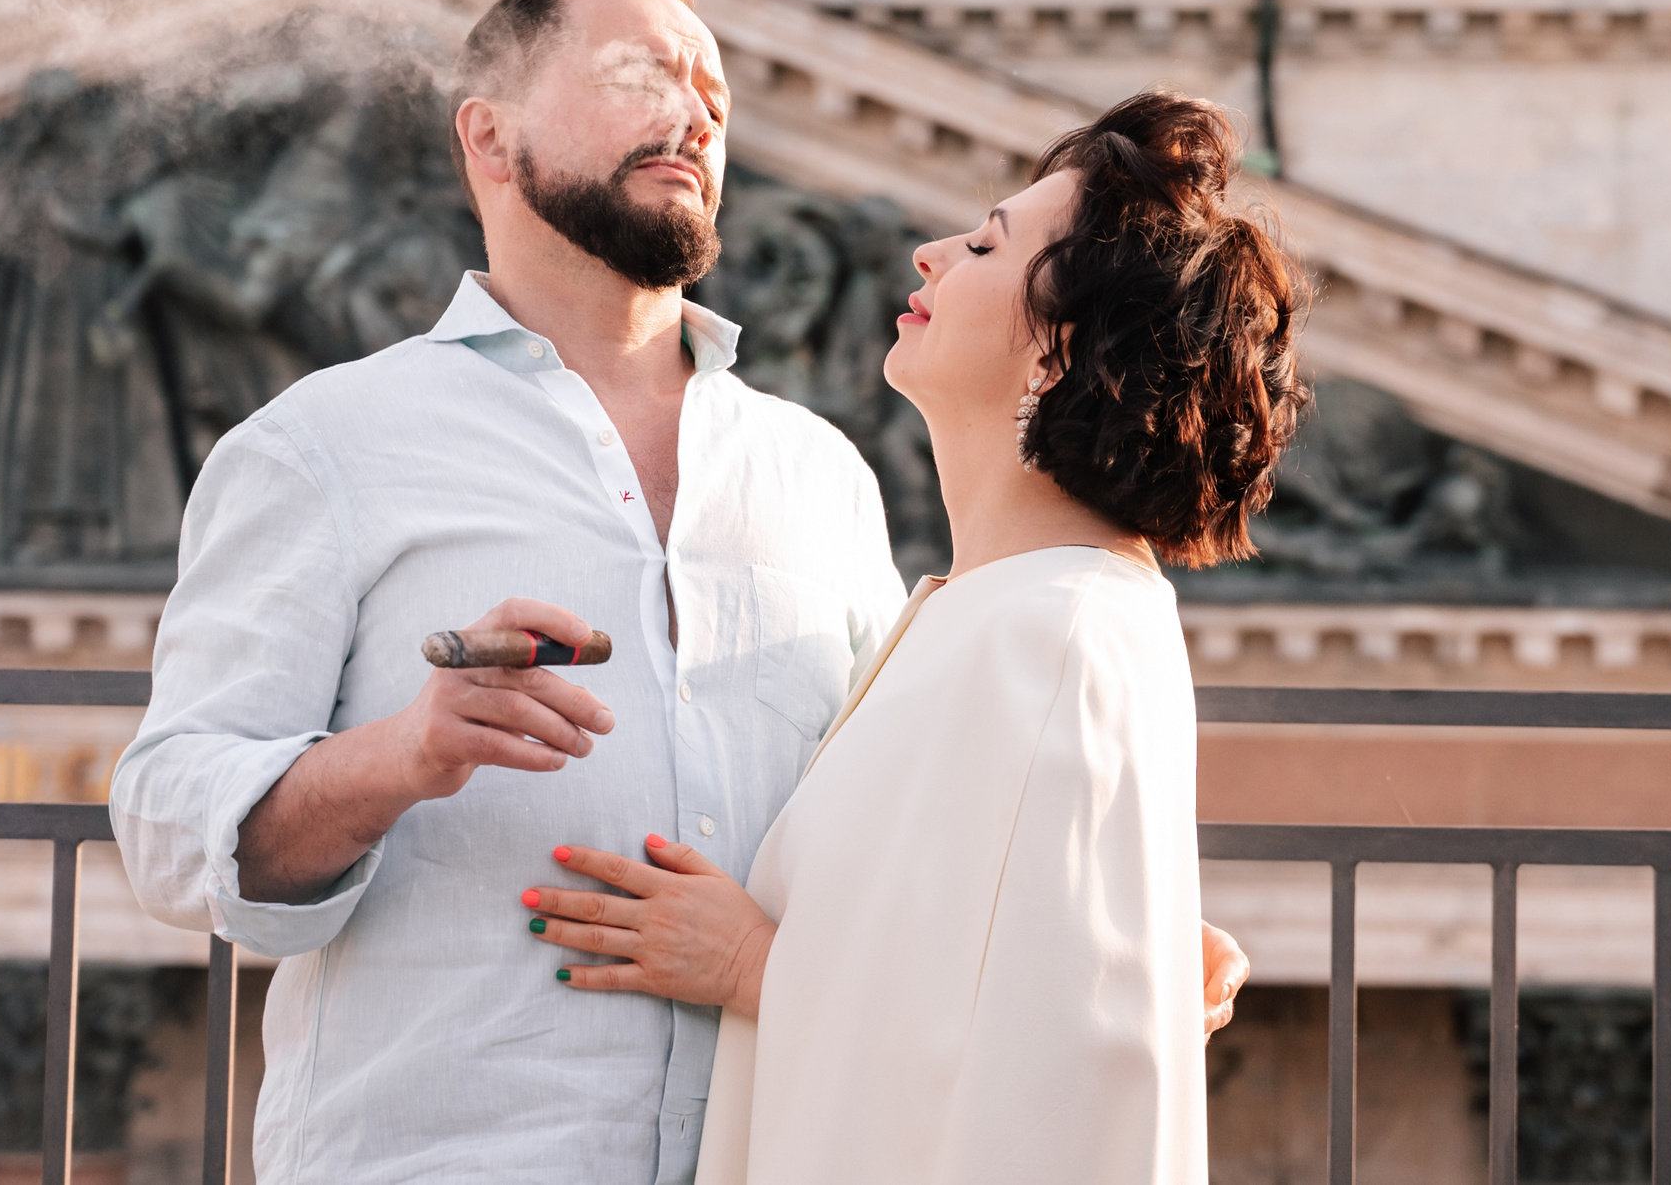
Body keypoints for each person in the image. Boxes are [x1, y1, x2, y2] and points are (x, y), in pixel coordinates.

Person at [111, 0, 1248, 1183]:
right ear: (490, 136)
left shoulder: (820, 476)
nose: (697, 111)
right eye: (641, 72)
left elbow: (892, 820)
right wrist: (409, 751)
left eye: (714, 88)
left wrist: (1070, 933)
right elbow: (173, 828)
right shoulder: (320, 446)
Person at [530, 91, 1307, 1184]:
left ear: (1057, 345)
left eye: (988, 242)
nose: (932, 250)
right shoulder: (989, 612)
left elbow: (1063, 1061)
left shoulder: (1058, 629)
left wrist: (759, 965)